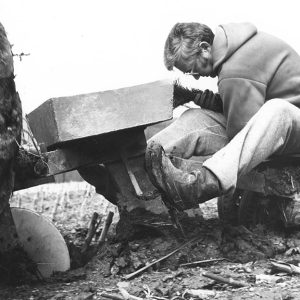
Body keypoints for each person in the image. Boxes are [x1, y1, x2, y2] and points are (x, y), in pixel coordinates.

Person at [145, 22, 300, 224]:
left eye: (193, 69)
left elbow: (242, 130)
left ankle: (200, 186)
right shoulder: (236, 52)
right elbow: (251, 114)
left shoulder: (236, 67)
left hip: (290, 126)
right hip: (280, 133)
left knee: (277, 110)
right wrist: (219, 104)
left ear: (205, 47)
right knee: (196, 117)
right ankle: (147, 161)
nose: (198, 77)